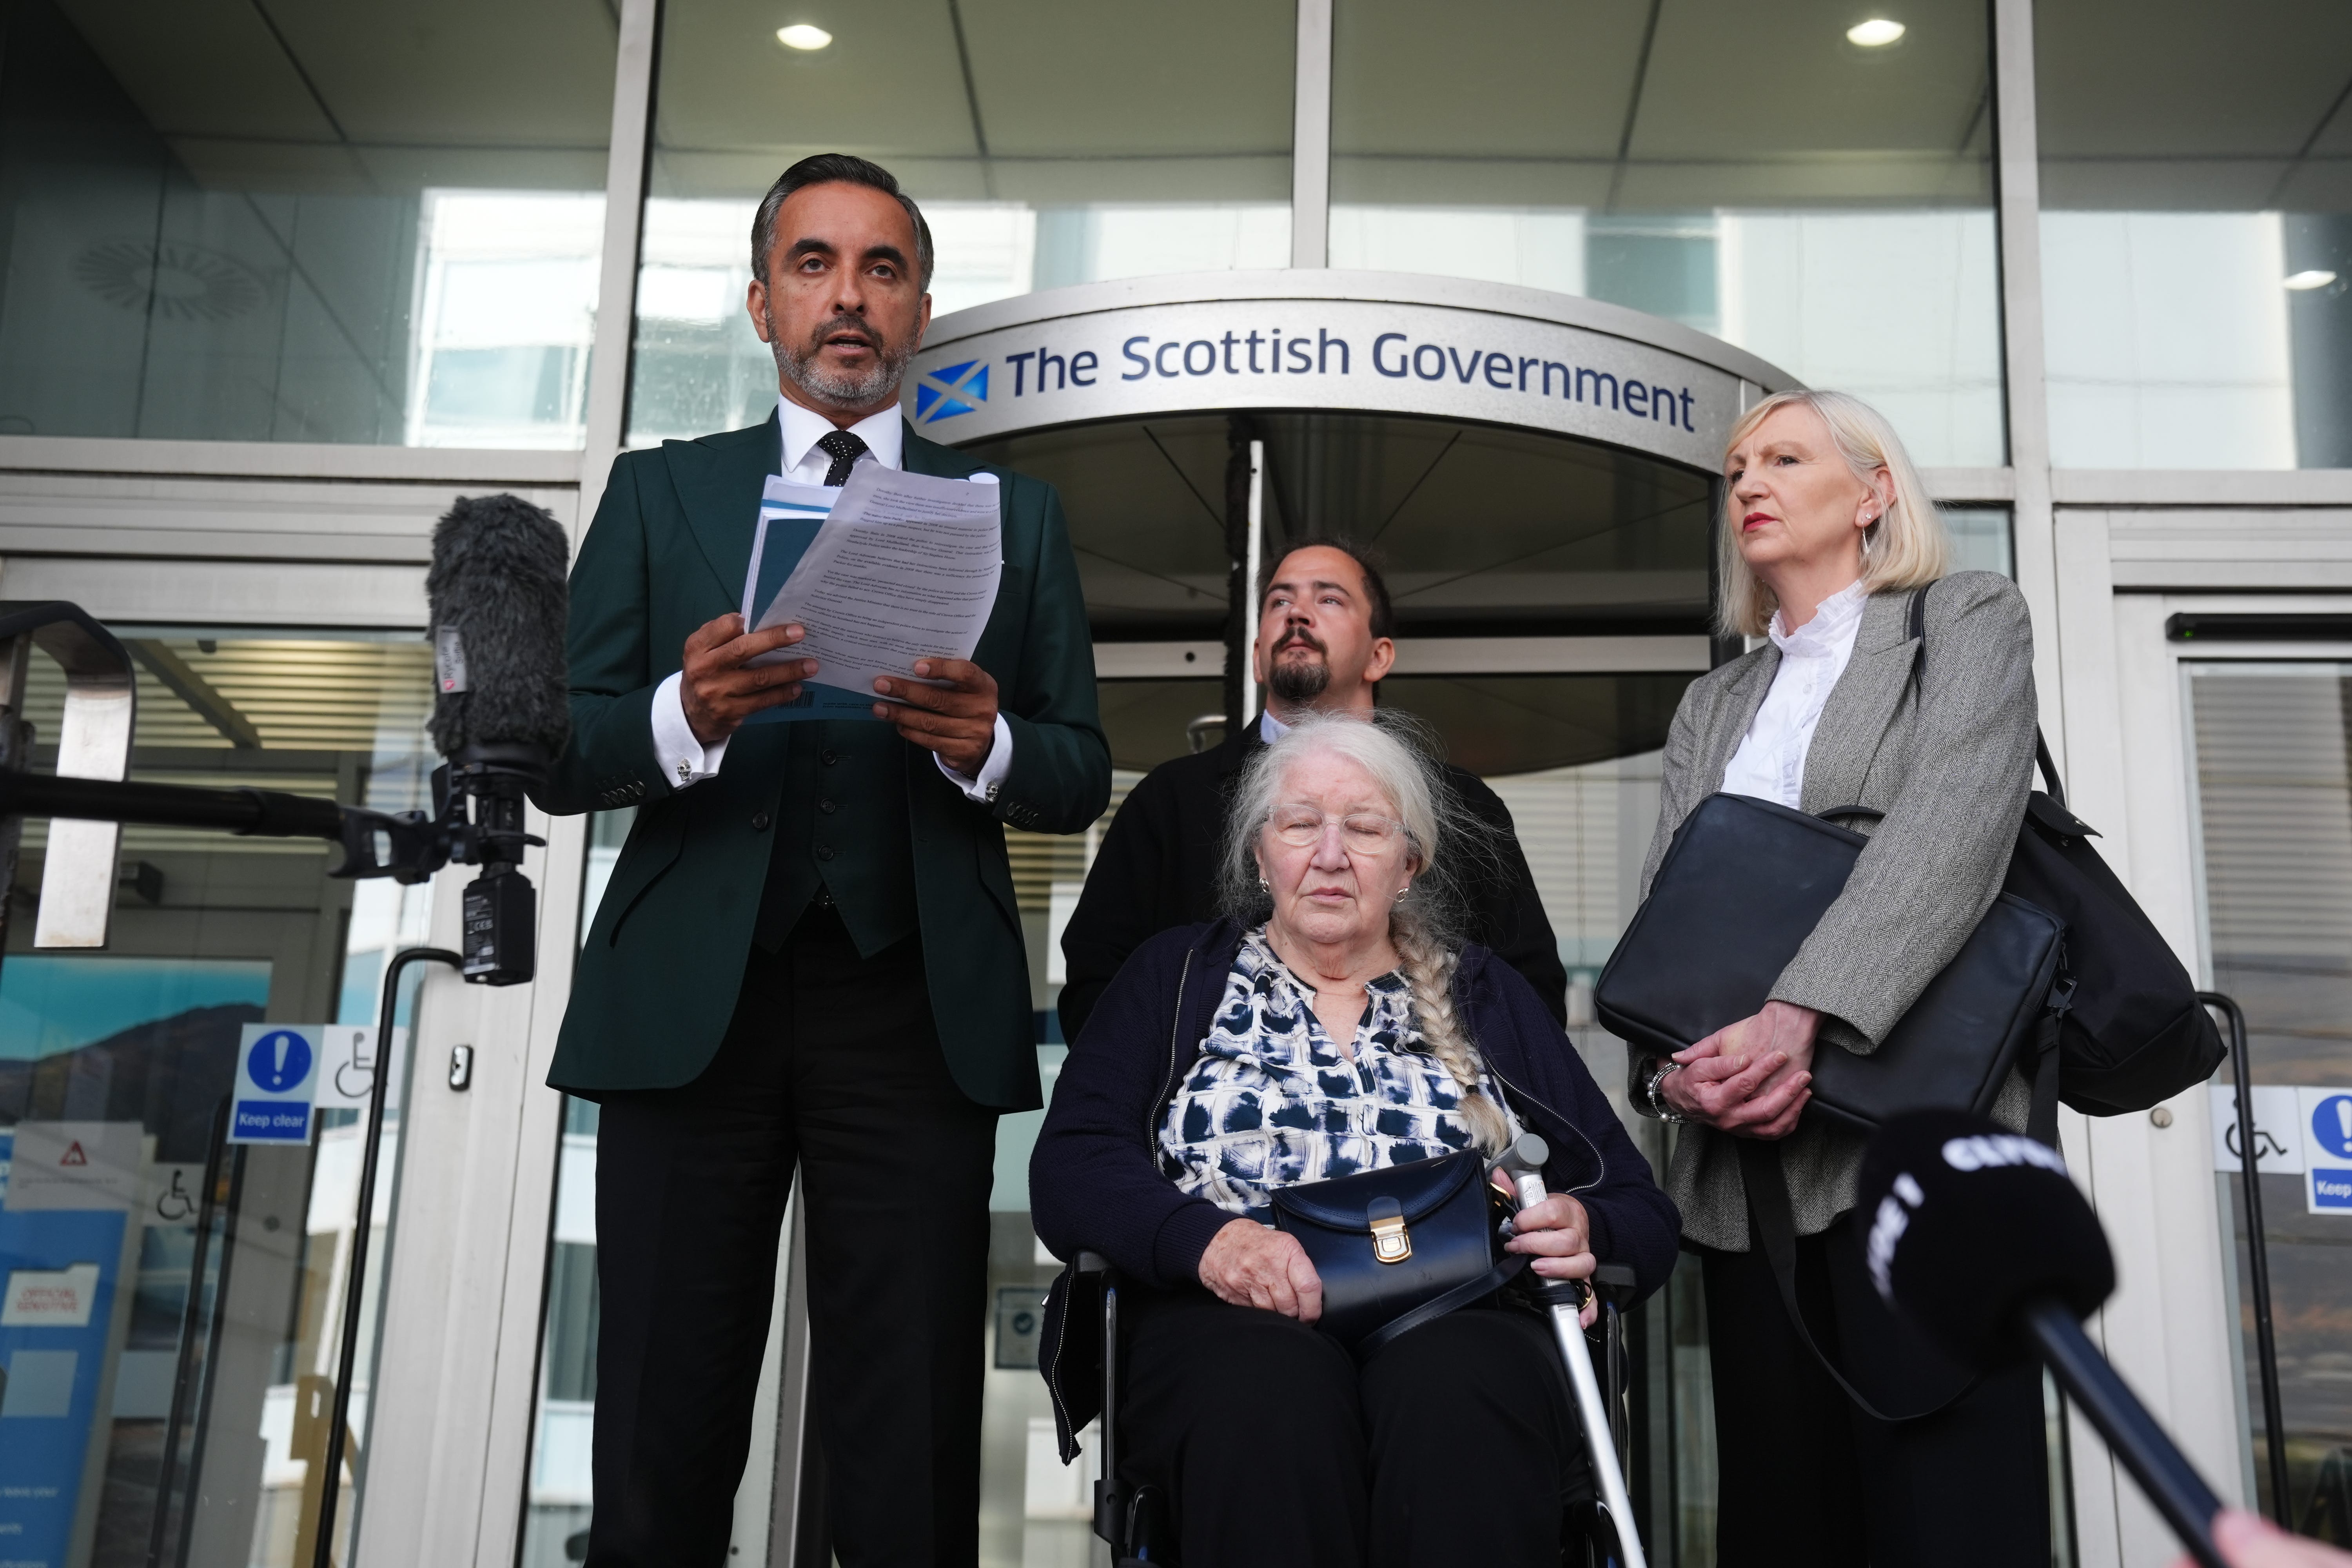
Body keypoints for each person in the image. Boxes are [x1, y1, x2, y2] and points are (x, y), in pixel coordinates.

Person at [536, 153, 1109, 1567]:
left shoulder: (1013, 515)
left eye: (882, 269)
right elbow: (557, 750)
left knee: (907, 1430)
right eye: (814, 264)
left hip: (911, 1006)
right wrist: (686, 714)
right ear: (759, 303)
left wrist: (987, 744)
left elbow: (1081, 768)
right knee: (663, 1424)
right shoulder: (663, 495)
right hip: (691, 1006)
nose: (848, 298)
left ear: (917, 310)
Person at [1032, 713, 1677, 1568]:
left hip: (1463, 1312)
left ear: (1410, 864)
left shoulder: (1489, 994)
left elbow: (1639, 1207)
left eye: (1366, 827)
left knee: (1459, 1394)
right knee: (1271, 1397)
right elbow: (1074, 1164)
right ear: (1261, 854)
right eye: (1301, 823)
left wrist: (1586, 1229)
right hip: (1225, 1314)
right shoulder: (1176, 974)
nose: (1330, 853)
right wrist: (1211, 1240)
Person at [1624, 388, 2043, 1565]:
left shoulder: (1966, 620)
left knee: (1952, 1520)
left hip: (1922, 1154)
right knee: (1785, 1523)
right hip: (1748, 1175)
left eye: (1787, 457)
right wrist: (1672, 1081)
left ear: (1872, 494)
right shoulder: (1714, 703)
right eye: (1739, 464)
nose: (1749, 480)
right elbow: (1670, 927)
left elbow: (1952, 832)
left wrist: (1801, 1014)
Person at [1058, 537, 1569, 1041]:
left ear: (1379, 656)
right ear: (1258, 658)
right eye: (1280, 601)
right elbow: (1096, 990)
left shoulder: (1461, 806)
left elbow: (1532, 998)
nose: (1297, 614)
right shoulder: (1168, 801)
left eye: (1328, 599)